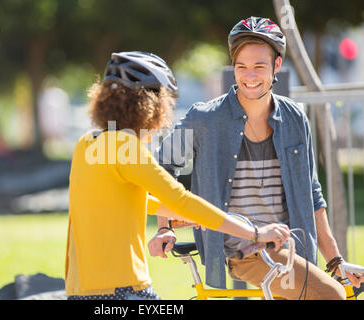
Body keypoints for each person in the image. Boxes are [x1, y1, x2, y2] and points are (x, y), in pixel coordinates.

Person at [149, 17, 362, 300]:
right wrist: (165, 227)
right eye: (242, 67)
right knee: (331, 295)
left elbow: (312, 195)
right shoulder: (205, 119)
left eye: (259, 66)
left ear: (276, 66)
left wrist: (335, 262)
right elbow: (162, 170)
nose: (250, 76)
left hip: (291, 248)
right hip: (244, 249)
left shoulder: (295, 117)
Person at [64, 51, 290, 300]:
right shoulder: (123, 146)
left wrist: (189, 217)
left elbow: (133, 201)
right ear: (150, 103)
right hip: (122, 288)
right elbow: (179, 197)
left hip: (81, 288)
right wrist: (256, 233)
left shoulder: (87, 143)